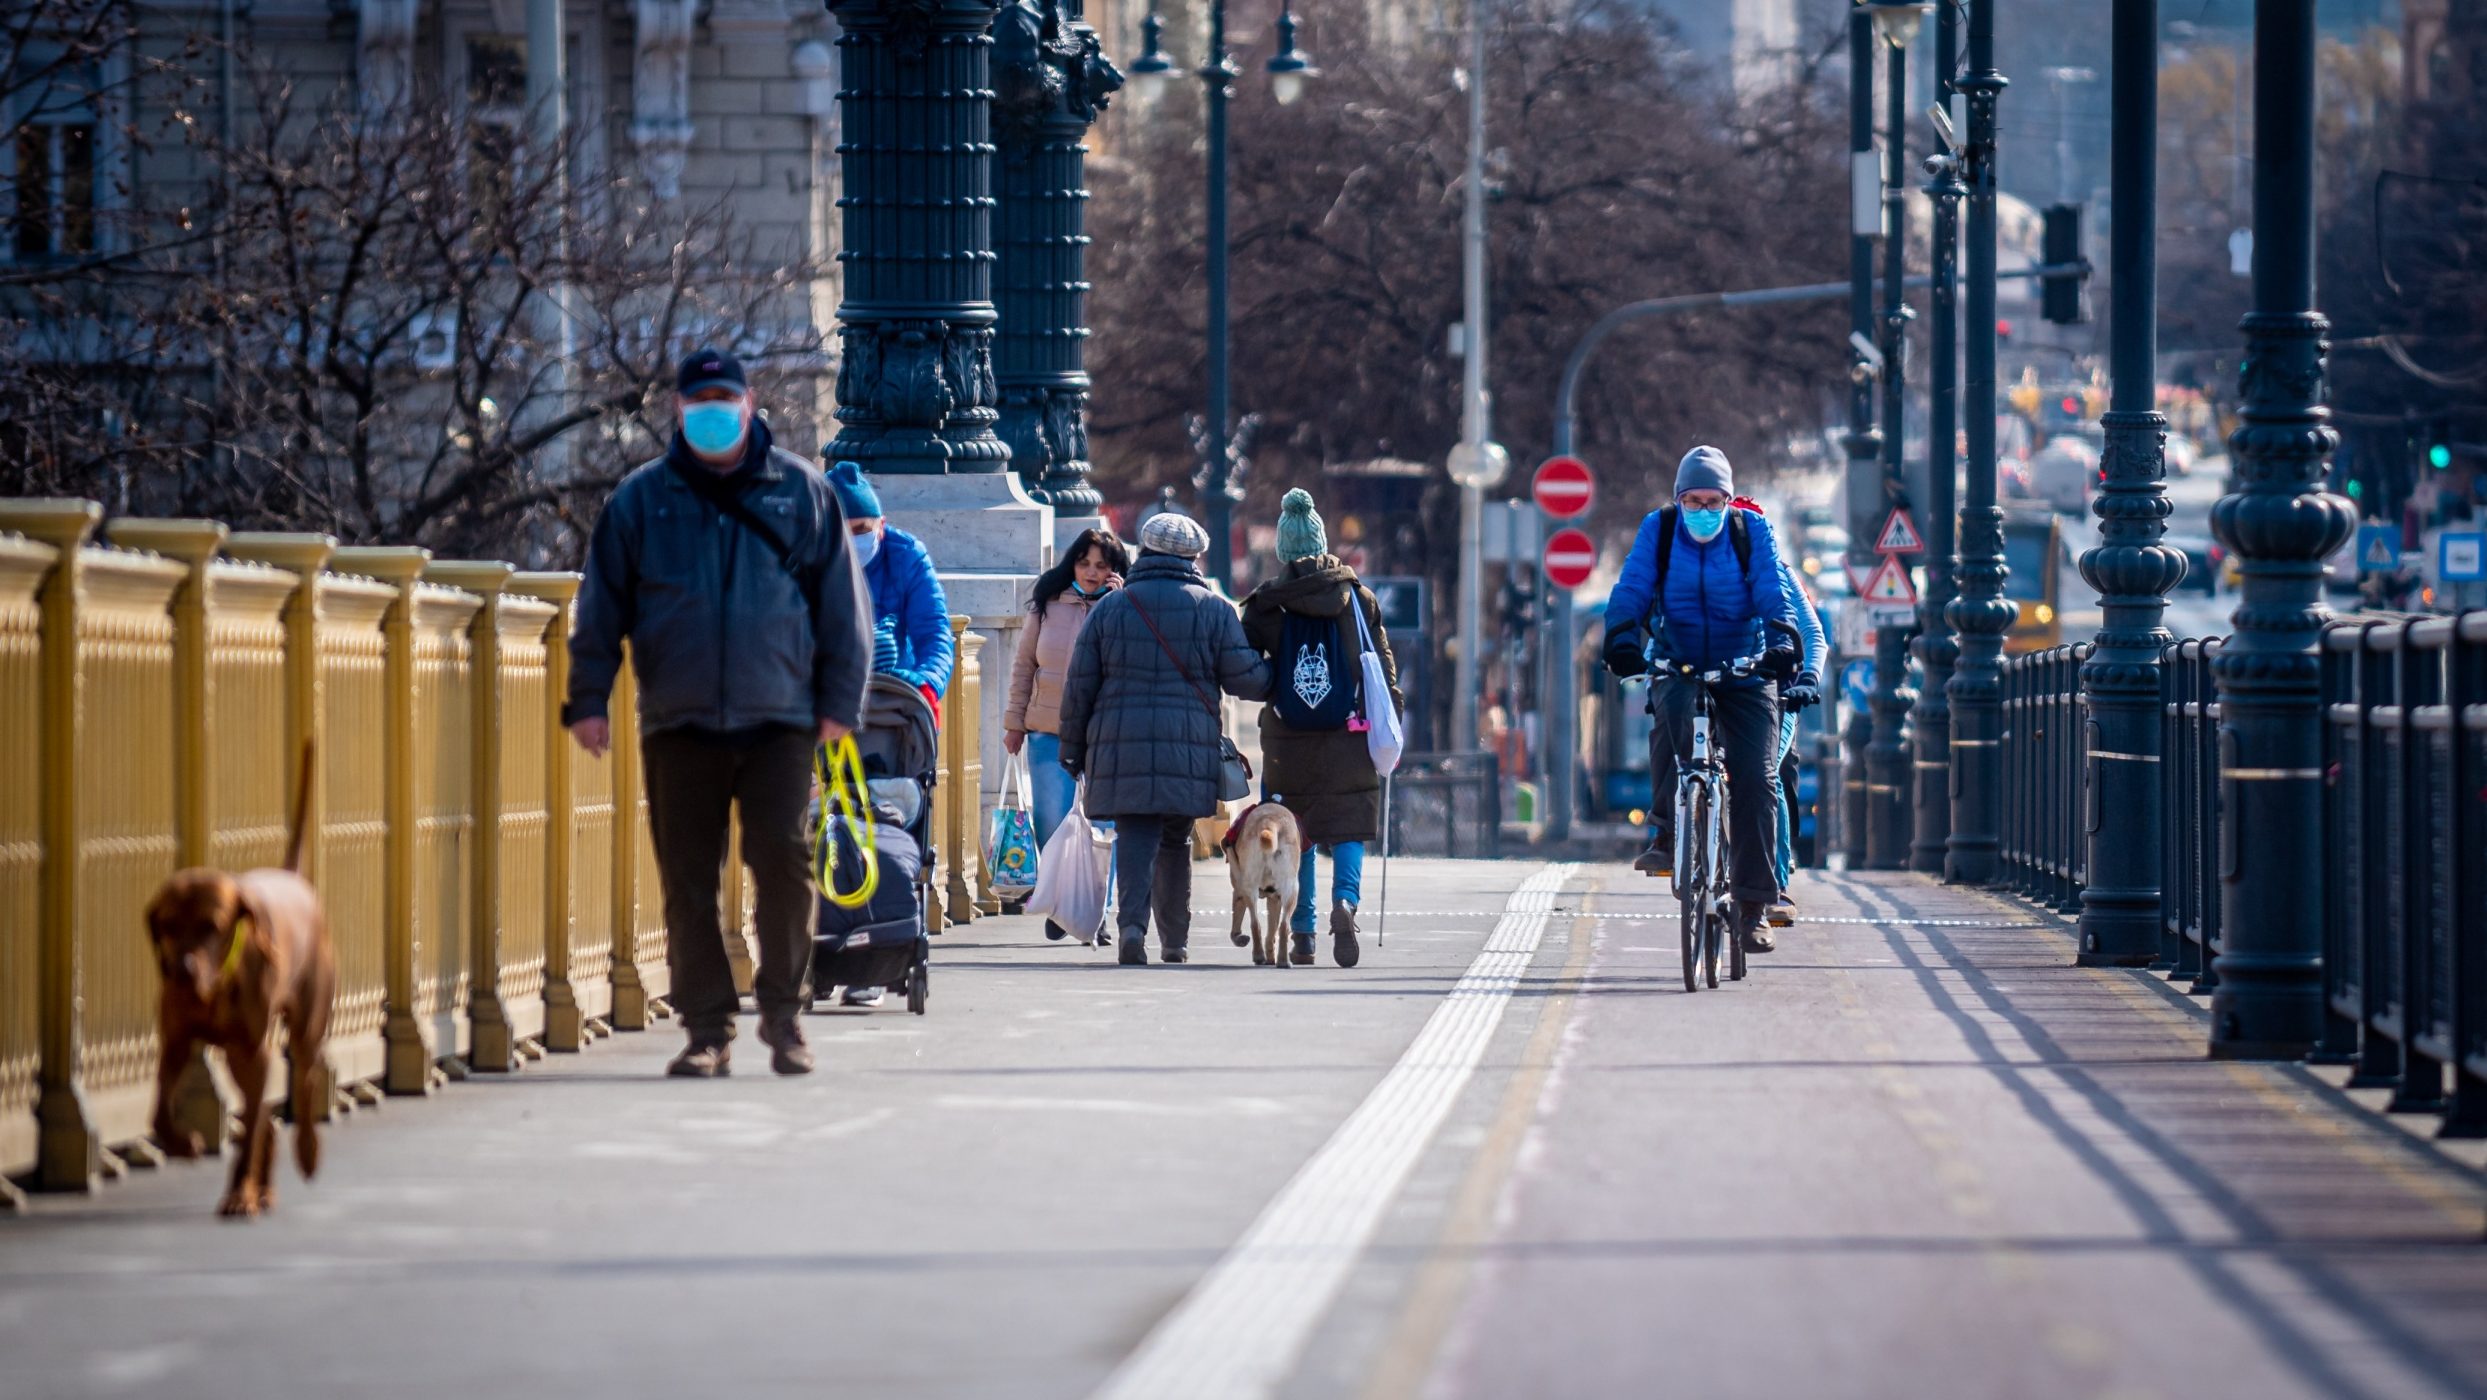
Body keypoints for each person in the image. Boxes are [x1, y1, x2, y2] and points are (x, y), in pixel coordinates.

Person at [567, 347, 872, 1078]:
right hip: (679, 718)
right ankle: (706, 1030)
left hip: (781, 718)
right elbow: (601, 605)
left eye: (722, 397)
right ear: (678, 408)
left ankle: (784, 1016)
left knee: (785, 867)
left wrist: (838, 703)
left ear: (748, 401)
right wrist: (587, 700)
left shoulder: (800, 493)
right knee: (687, 883)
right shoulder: (642, 499)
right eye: (697, 398)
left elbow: (843, 609)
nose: (710, 409)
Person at [1601, 445, 1802, 952]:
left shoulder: (1750, 531)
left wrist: (1781, 640)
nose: (1704, 510)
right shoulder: (1661, 528)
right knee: (1668, 723)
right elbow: (1633, 585)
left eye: (1714, 501)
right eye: (1694, 500)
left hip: (1746, 667)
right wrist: (1622, 636)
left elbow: (1772, 589)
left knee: (1757, 779)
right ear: (1678, 499)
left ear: (1730, 501)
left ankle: (1753, 906)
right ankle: (1669, 830)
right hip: (1679, 659)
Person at [1056, 511, 1270, 966]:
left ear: (1144, 551)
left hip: (1120, 743)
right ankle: (1175, 940)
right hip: (1186, 746)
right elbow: (1246, 680)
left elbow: (1080, 686)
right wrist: (1276, 669)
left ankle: (1132, 929)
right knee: (1175, 839)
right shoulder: (1213, 608)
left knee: (1134, 832)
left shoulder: (1111, 607)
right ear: (1194, 556)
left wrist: (1072, 749)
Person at [1241, 489, 1399, 968]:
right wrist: (1388, 716)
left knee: (1297, 834)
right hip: (1349, 733)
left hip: (1288, 741)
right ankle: (1345, 904)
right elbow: (1383, 670)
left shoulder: (1266, 605)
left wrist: (1276, 688)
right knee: (1349, 826)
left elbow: (1246, 672)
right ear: (1323, 543)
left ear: (1283, 553)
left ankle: (1303, 932)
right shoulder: (1357, 598)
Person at [822, 460, 954, 1007]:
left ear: (880, 524)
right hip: (827, 706)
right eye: (844, 532)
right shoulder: (810, 558)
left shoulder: (904, 555)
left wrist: (925, 686)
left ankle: (876, 953)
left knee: (889, 819)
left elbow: (934, 632)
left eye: (863, 530)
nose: (856, 542)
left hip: (894, 707)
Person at [1004, 526, 1131, 941]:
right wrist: (1013, 723)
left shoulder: (1122, 605)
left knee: (1102, 826)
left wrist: (1117, 600)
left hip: (1104, 732)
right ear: (1071, 562)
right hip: (1047, 730)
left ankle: (1097, 913)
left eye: (1101, 565)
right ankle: (1061, 904)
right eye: (1084, 562)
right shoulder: (1048, 603)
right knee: (1052, 822)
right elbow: (1025, 665)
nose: (1092, 572)